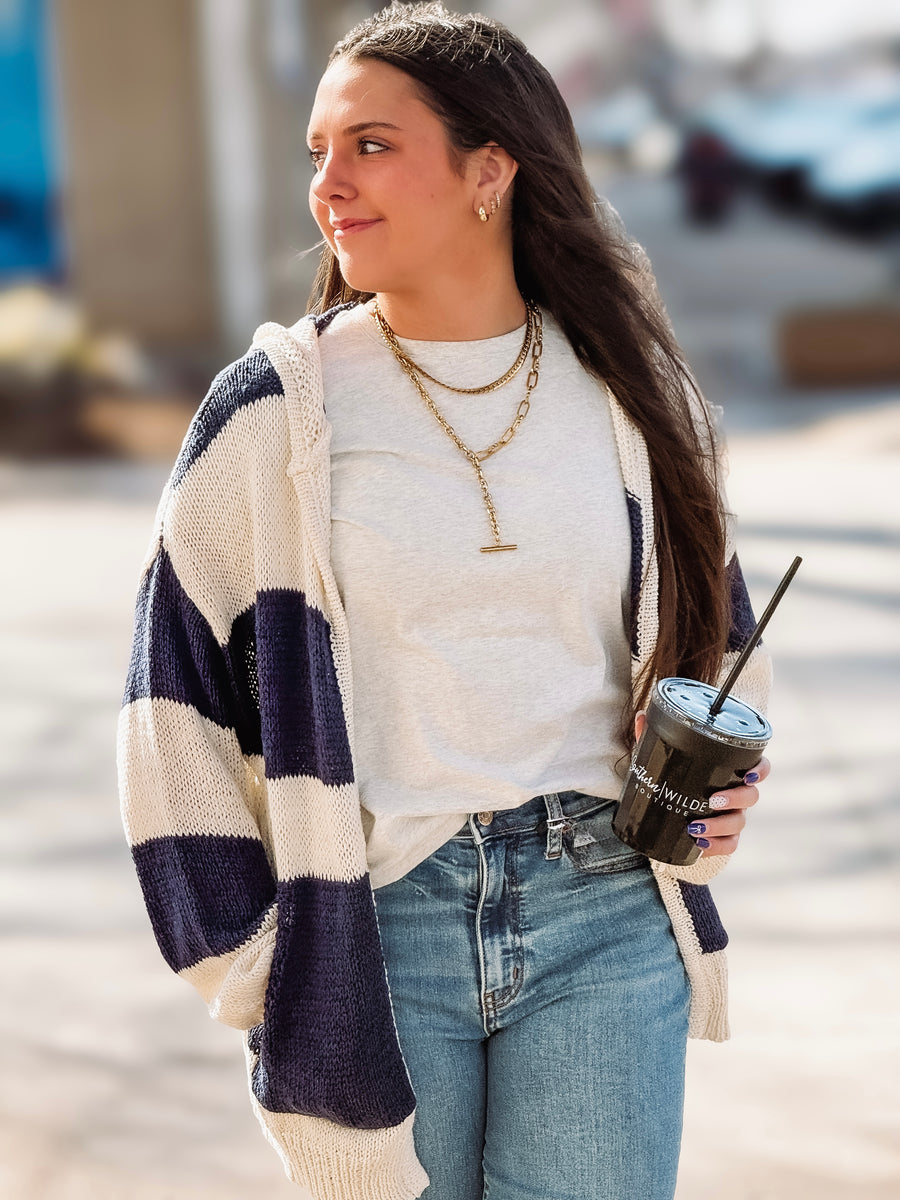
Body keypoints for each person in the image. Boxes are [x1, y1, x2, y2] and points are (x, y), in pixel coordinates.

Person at [117, 4, 772, 1199]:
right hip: (377, 928)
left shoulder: (635, 399)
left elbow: (720, 642)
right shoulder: (274, 416)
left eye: (370, 144)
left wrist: (718, 803)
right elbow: (172, 709)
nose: (329, 183)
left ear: (491, 168)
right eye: (317, 151)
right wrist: (260, 963)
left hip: (606, 912)